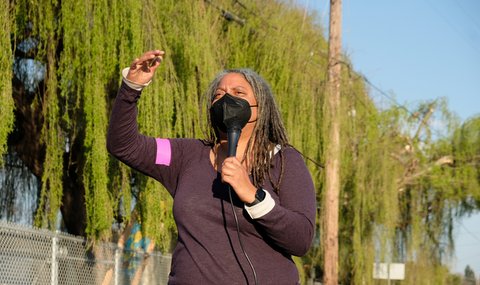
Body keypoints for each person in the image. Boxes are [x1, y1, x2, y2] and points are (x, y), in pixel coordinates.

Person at [107, 50, 317, 285]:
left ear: (261, 108)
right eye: (219, 95)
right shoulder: (185, 155)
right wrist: (131, 88)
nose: (227, 100)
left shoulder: (284, 161)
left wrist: (253, 197)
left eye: (239, 93)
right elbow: (124, 145)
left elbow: (301, 239)